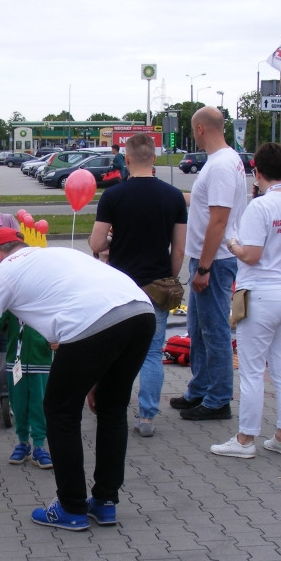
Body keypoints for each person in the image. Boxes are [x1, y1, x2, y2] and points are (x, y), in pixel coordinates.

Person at [0, 228, 155, 531]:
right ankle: (106, 502)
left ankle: (71, 507)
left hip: (94, 322)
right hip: (140, 311)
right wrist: (95, 382)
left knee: (59, 411)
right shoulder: (56, 254)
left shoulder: (4, 272)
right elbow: (89, 307)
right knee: (112, 409)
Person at [214, 142, 281, 459]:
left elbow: (251, 255)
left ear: (257, 172)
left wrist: (232, 243)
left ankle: (244, 440)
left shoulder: (260, 207)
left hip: (260, 295)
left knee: (252, 370)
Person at [90, 133, 187, 438]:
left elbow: (95, 243)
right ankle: (147, 416)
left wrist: (111, 241)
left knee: (112, 350)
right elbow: (179, 249)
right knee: (152, 351)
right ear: (154, 158)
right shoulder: (174, 197)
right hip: (157, 285)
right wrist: (167, 275)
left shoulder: (113, 196)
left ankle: (110, 406)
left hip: (119, 286)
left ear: (127, 159)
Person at [171, 106, 246, 422]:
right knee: (197, 328)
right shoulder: (223, 162)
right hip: (208, 260)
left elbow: (219, 219)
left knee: (214, 330)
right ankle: (200, 388)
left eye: (193, 130)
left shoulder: (221, 166)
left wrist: (203, 267)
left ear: (201, 128)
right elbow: (205, 205)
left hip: (214, 262)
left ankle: (218, 399)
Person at [0, 308, 54, 469]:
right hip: (15, 363)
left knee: (39, 406)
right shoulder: (12, 302)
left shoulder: (46, 300)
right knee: (18, 404)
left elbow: (59, 321)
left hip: (41, 362)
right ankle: (23, 443)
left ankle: (39, 445)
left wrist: (58, 339)